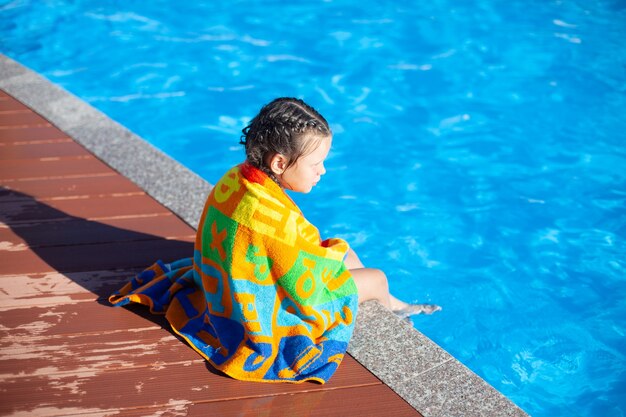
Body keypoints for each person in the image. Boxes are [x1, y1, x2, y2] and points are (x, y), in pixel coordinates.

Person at [110, 97, 439, 384]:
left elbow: (285, 248)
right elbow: (299, 286)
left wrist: (331, 257)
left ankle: (388, 302)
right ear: (279, 163)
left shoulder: (238, 179)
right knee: (376, 277)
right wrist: (331, 271)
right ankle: (394, 308)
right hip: (266, 306)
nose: (322, 171)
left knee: (345, 250)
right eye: (315, 163)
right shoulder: (271, 217)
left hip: (228, 279)